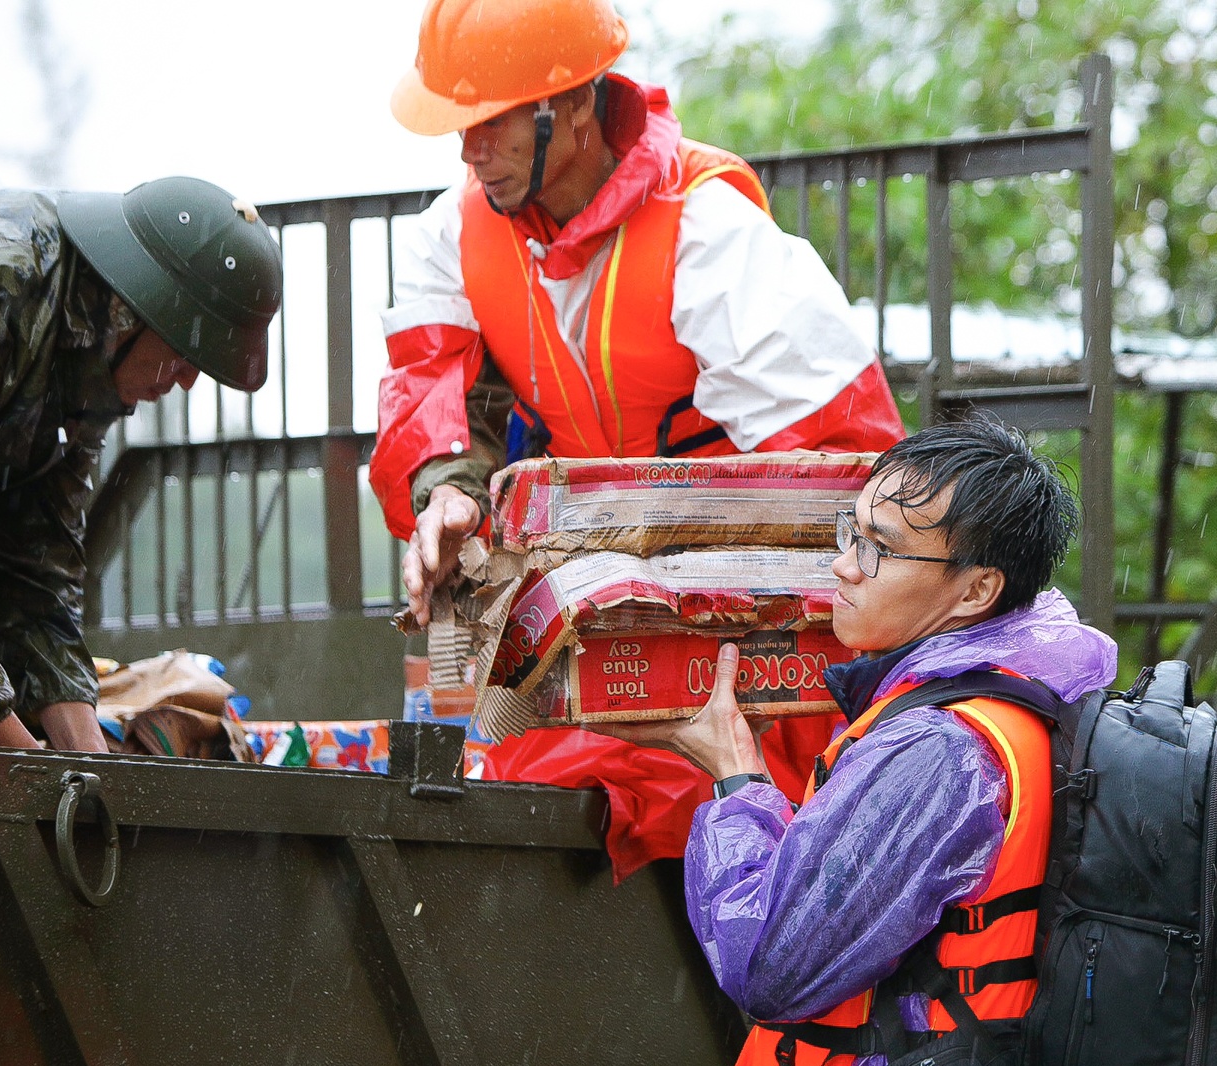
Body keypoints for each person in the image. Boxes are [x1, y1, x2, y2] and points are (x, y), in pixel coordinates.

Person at [603, 417, 1117, 1066]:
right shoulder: (1028, 698)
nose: (844, 566)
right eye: (851, 532)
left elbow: (768, 968)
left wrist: (736, 778)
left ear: (977, 590)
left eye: (880, 549)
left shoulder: (937, 748)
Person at [375, 0, 904, 625]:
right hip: (573, 588)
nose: (471, 151)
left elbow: (840, 462)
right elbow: (435, 393)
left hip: (740, 591)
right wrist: (450, 490)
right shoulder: (448, 239)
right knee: (526, 723)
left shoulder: (707, 228)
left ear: (576, 104)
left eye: (492, 120)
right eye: (461, 125)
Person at [0, 178, 282, 753]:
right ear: (135, 309)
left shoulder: (90, 369)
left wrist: (88, 763)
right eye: (187, 352)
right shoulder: (2, 276)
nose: (189, 380)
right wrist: (19, 760)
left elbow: (35, 575)